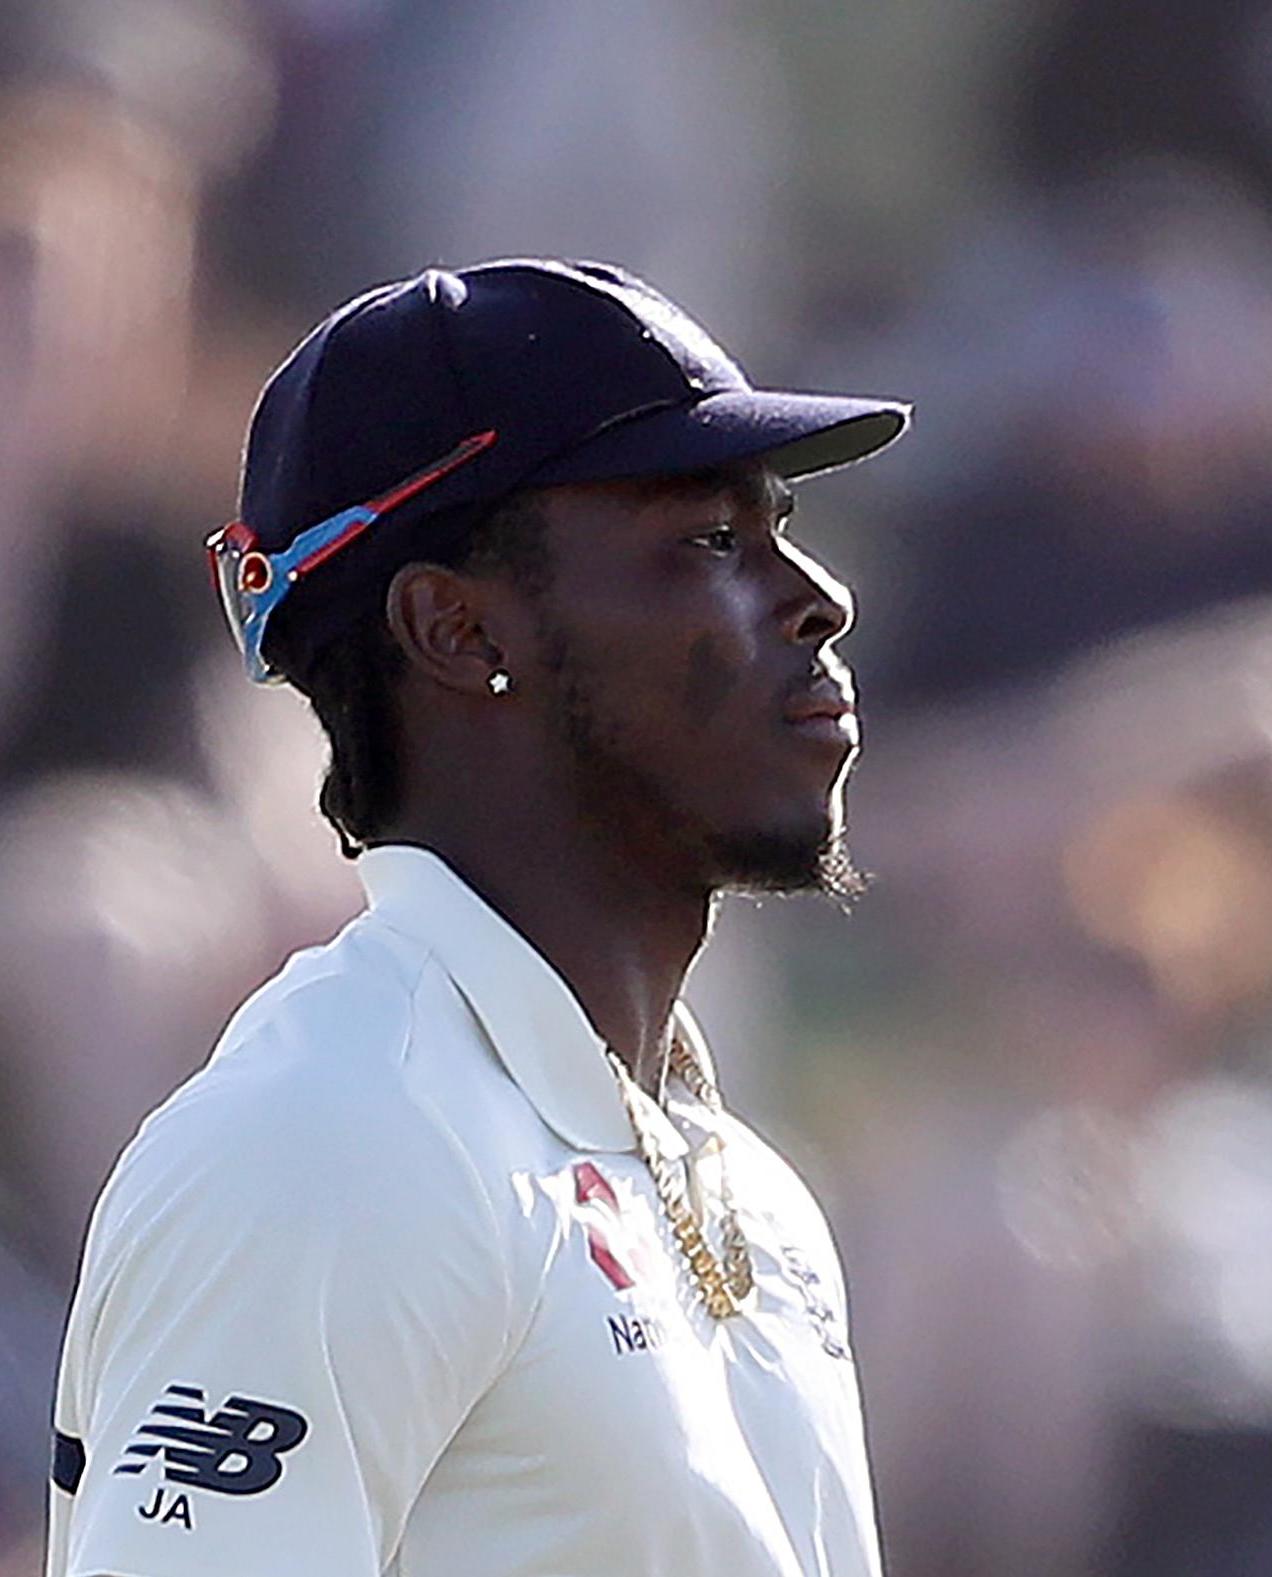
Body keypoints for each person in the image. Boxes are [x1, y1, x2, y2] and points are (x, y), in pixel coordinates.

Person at [44, 258, 910, 1577]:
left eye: (778, 524)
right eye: (709, 541)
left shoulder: (752, 1192)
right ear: (453, 629)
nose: (817, 597)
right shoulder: (328, 1142)